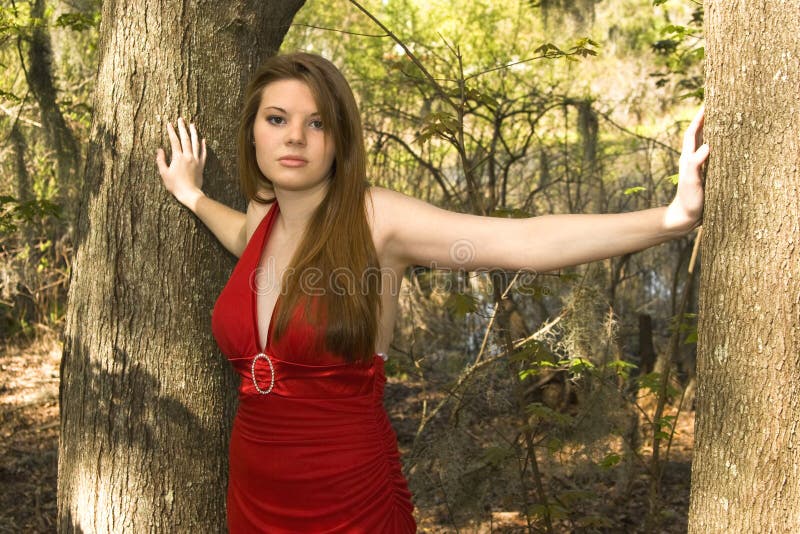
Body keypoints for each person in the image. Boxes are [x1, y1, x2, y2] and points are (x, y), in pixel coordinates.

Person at [155, 52, 708, 533]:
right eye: (277, 119)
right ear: (253, 131)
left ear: (339, 140)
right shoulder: (263, 216)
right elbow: (241, 237)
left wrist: (672, 218)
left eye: (317, 123)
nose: (295, 136)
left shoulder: (376, 220)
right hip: (253, 499)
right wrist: (191, 195)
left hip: (349, 504)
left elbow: (523, 241)